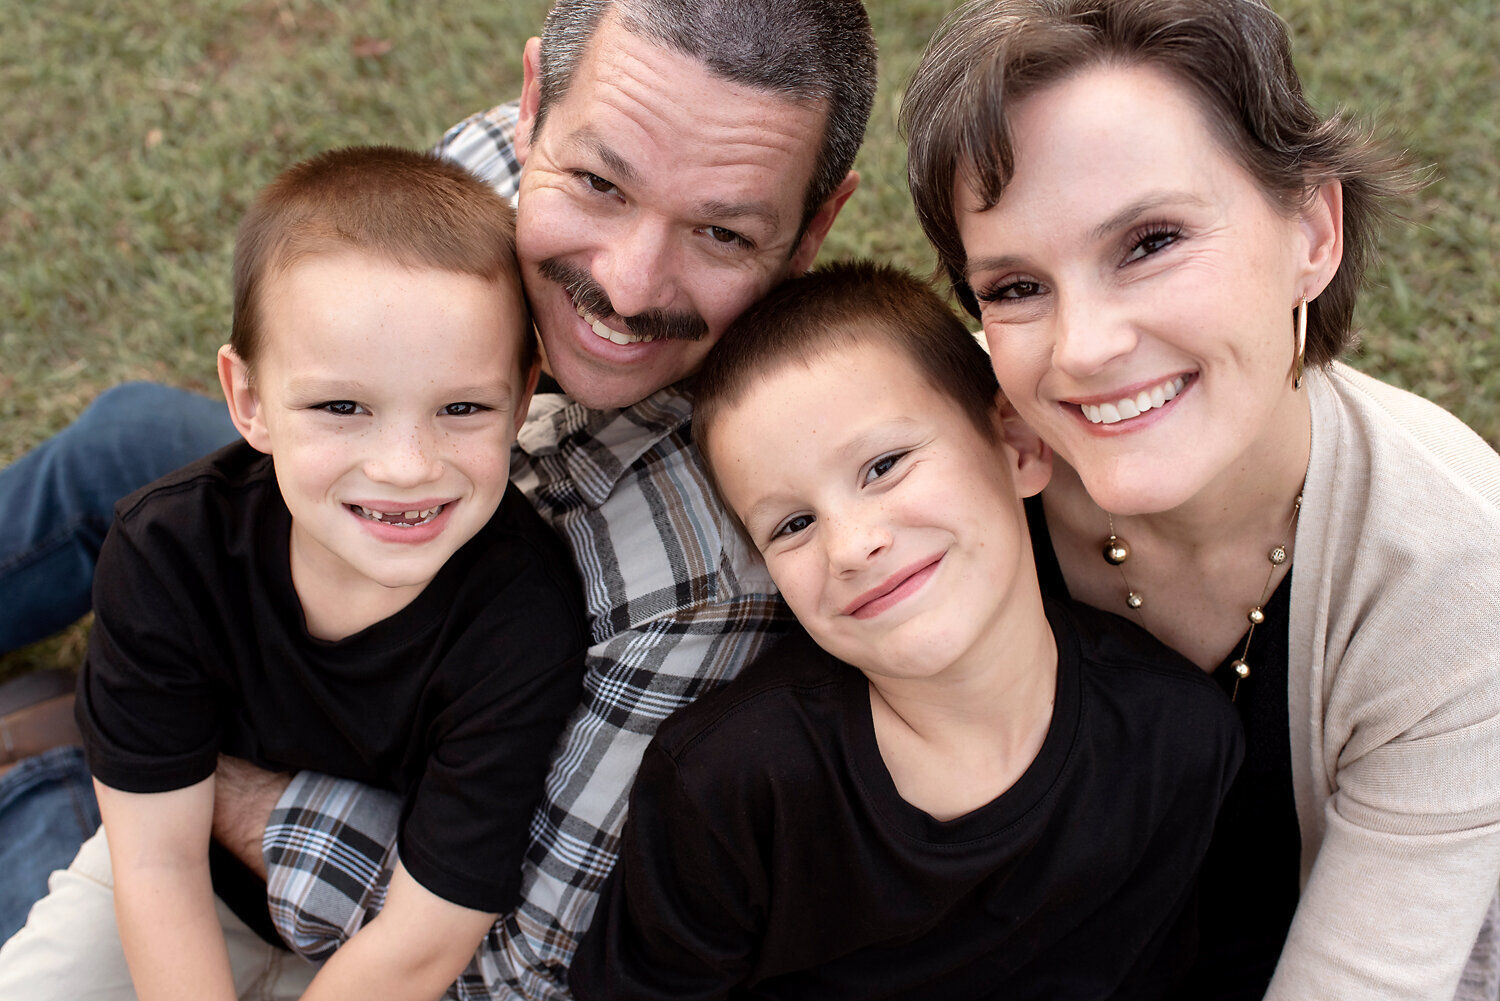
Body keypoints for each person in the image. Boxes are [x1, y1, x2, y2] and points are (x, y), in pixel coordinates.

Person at [0, 2, 876, 998]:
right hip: (295, 609)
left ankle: (52, 769)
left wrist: (198, 772)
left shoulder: (700, 576)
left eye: (721, 230)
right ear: (534, 104)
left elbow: (512, 964)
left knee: (99, 821)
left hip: (379, 881)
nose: (627, 286)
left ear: (814, 225)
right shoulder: (476, 175)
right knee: (124, 449)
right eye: (597, 183)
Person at [899, 1, 1500, 999]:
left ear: (1312, 229)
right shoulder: (926, 463)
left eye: (1150, 240)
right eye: (1013, 287)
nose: (1084, 346)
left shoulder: (1456, 573)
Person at [0, 145, 592, 1001]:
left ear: (522, 394)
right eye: (341, 407)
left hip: (373, 956)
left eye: (462, 407)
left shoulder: (524, 619)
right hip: (189, 882)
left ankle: (51, 757)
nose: (405, 465)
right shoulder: (169, 549)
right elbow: (156, 865)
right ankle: (69, 756)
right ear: (247, 401)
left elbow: (424, 941)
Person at [567, 261, 1243, 999]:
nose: (850, 544)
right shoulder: (731, 782)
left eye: (884, 465)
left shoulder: (1175, 738)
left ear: (1017, 445)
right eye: (793, 524)